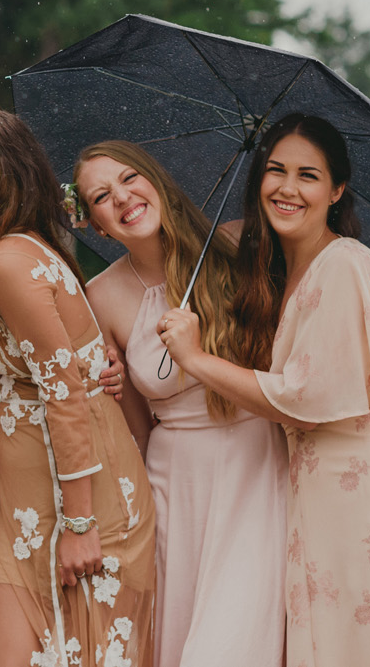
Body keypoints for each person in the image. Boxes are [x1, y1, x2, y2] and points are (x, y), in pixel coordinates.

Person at [158, 113, 370, 667]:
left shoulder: (346, 266)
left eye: (308, 176)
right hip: (325, 496)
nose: (287, 188)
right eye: (276, 170)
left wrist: (193, 359)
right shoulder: (287, 274)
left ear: (336, 190)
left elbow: (302, 404)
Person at [0, 109, 156, 667]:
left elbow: (64, 394)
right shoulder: (5, 253)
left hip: (81, 505)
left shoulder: (8, 261)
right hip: (28, 502)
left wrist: (78, 527)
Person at [75, 141, 287, 667]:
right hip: (174, 480)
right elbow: (137, 428)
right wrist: (115, 385)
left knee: (235, 640)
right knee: (181, 639)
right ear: (96, 225)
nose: (123, 197)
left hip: (257, 463)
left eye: (130, 178)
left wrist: (195, 353)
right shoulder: (99, 296)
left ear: (157, 181)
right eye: (102, 196)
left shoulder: (239, 247)